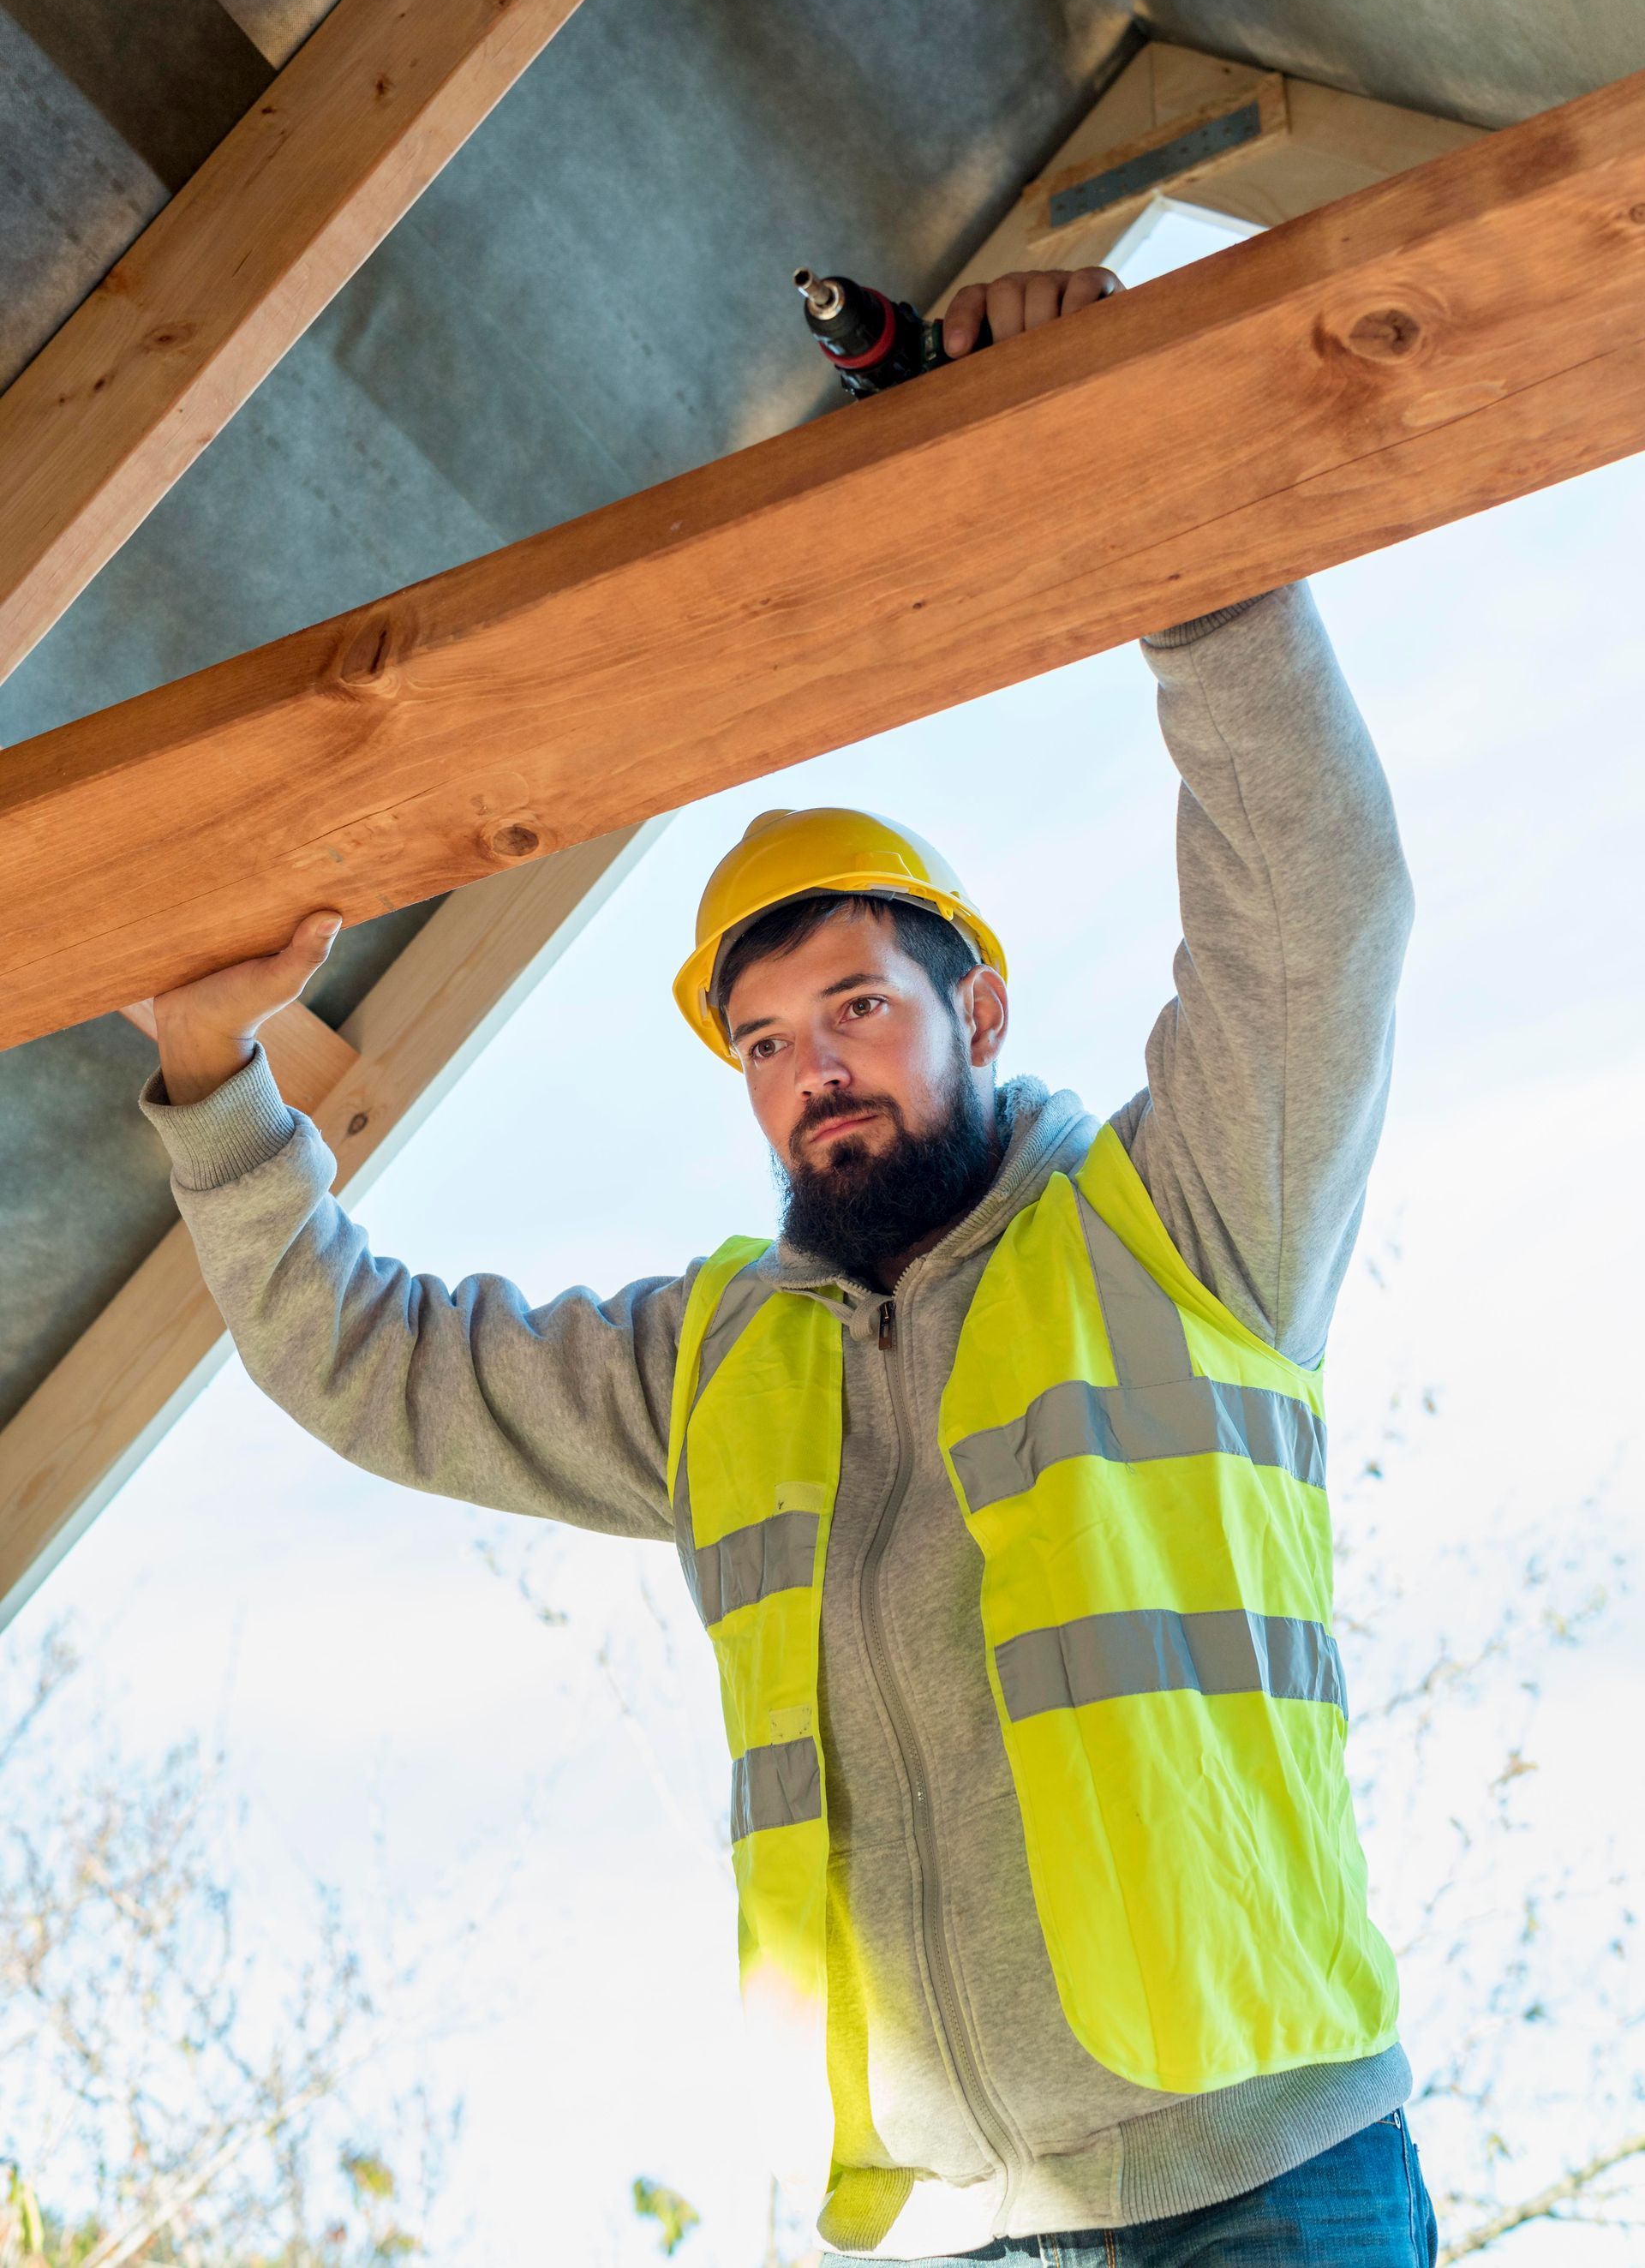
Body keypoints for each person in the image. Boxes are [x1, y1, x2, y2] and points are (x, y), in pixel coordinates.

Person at [140, 267, 1434, 2265]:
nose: (812, 1067)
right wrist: (213, 1074)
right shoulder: (712, 1373)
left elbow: (1313, 915)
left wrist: (1180, 539)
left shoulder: (1182, 1231)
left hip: (1265, 2180)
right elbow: (365, 1359)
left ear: (977, 1011)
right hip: (948, 2220)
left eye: (857, 1007)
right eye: (763, 1039)